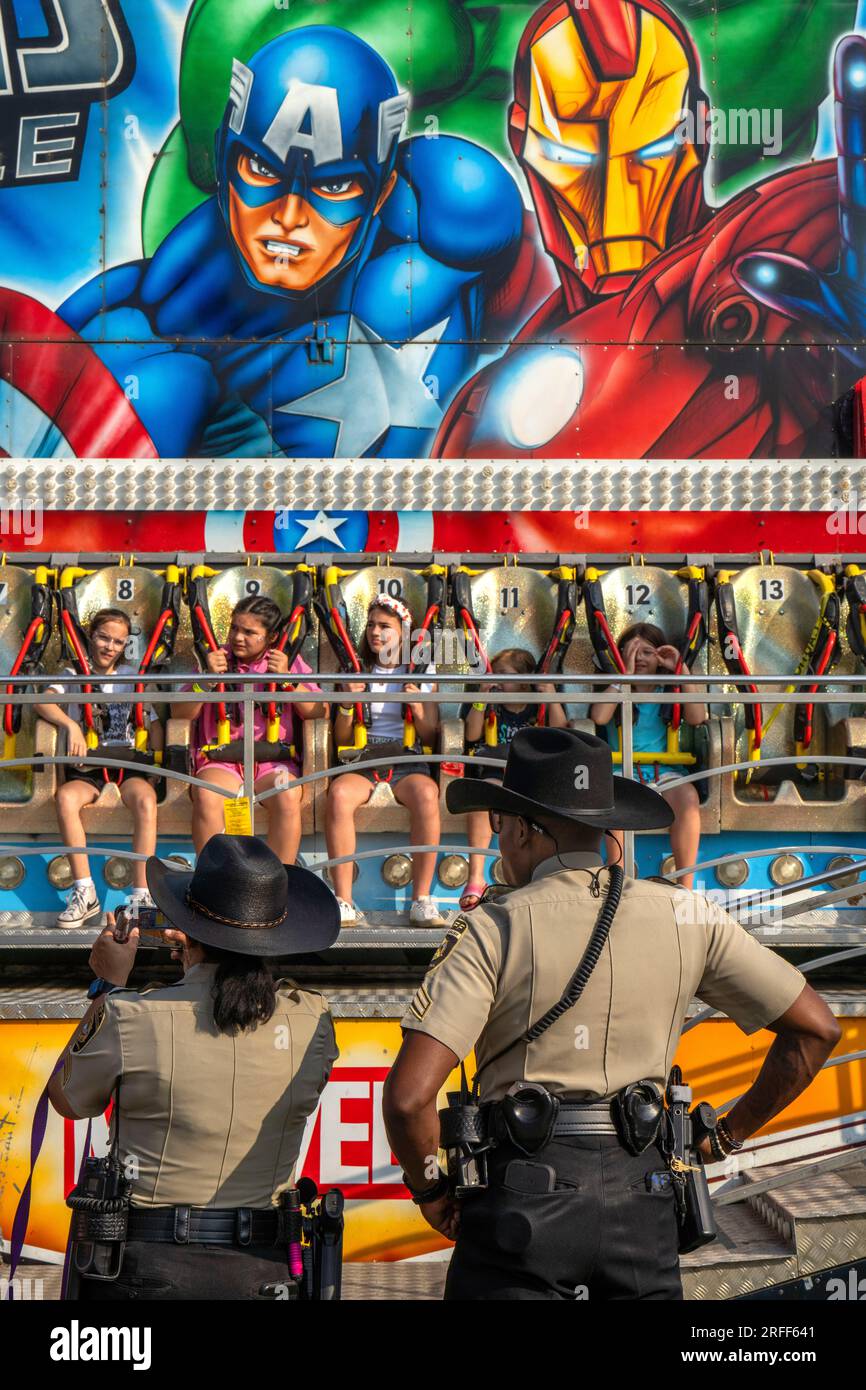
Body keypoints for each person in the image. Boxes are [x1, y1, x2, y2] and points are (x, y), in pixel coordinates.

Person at [383, 727, 841, 1301]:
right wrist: (723, 1137)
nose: (500, 843)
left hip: (522, 1197)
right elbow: (817, 1029)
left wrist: (431, 1190)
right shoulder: (688, 915)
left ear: (524, 829)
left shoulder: (492, 926)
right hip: (645, 1197)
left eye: (501, 827)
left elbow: (407, 1098)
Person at [48, 833, 340, 1301]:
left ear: (186, 929)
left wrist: (107, 983)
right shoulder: (314, 1020)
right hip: (267, 1269)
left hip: (147, 1267)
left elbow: (67, 1098)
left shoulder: (131, 1015)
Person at [35, 608, 163, 928]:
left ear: (125, 646)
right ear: (91, 636)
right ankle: (84, 890)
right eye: (103, 637)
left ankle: (141, 894)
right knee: (66, 798)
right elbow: (42, 700)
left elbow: (154, 723)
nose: (109, 646)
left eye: (117, 642)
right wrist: (70, 725)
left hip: (127, 766)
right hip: (88, 768)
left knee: (146, 800)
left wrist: (159, 764)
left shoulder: (133, 677)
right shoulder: (72, 674)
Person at [172, 595, 326, 863]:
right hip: (222, 763)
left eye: (249, 632)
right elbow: (179, 713)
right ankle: (214, 885)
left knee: (288, 794)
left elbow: (318, 711)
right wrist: (207, 681)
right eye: (234, 628)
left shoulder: (287, 662)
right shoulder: (215, 660)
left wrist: (288, 680)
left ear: (271, 637)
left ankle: (280, 886)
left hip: (273, 765)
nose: (237, 637)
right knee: (207, 795)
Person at [326, 595, 442, 926]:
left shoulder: (421, 671)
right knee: (338, 795)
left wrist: (418, 706)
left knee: (427, 794)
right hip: (364, 757)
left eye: (385, 627)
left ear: (405, 634)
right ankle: (344, 900)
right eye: (372, 625)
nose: (375, 633)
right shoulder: (355, 670)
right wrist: (348, 704)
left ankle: (422, 899)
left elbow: (431, 734)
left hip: (405, 758)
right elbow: (342, 739)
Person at [590, 622, 707, 889]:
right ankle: (616, 878)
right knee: (614, 800)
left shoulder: (670, 690)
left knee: (688, 797)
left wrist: (680, 668)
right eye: (633, 652)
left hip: (663, 771)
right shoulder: (615, 688)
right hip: (621, 771)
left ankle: (685, 884)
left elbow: (697, 717)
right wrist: (625, 675)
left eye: (646, 652)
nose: (640, 659)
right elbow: (599, 716)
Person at [460, 647, 567, 910]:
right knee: (484, 798)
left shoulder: (536, 704)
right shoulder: (491, 702)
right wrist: (481, 698)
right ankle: (476, 878)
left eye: (503, 674)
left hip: (533, 773)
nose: (497, 680)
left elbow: (561, 731)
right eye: (493, 674)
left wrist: (551, 697)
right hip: (496, 770)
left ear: (524, 678)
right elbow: (472, 735)